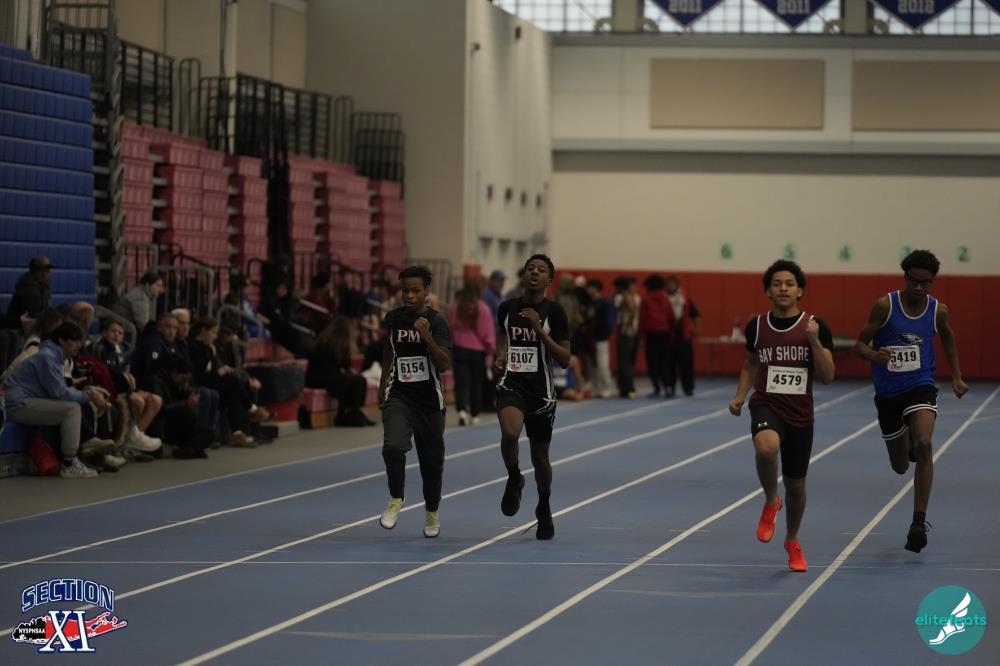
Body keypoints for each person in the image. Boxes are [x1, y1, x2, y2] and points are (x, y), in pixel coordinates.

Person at [853, 250, 967, 553]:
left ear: (933, 282)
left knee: (925, 443)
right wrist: (874, 355)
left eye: (925, 283)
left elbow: (948, 337)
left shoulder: (938, 311)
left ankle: (918, 523)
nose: (918, 287)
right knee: (901, 466)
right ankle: (909, 445)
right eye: (913, 281)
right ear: (905, 278)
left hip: (921, 385)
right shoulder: (885, 306)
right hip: (888, 394)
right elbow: (858, 346)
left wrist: (956, 376)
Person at [729, 260, 835, 572]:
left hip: (800, 413)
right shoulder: (757, 326)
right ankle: (770, 499)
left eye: (789, 283)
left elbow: (828, 376)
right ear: (768, 291)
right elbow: (750, 363)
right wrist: (740, 395)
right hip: (766, 403)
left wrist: (814, 341)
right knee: (766, 447)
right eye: (777, 284)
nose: (783, 288)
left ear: (800, 290)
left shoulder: (816, 325)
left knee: (796, 486)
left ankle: (792, 540)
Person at [494, 254, 571, 540]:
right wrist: (500, 356)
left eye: (541, 270)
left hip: (541, 393)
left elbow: (565, 359)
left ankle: (544, 503)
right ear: (524, 275)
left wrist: (540, 331)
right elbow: (503, 341)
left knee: (540, 458)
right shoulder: (506, 308)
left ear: (549, 280)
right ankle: (514, 476)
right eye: (530, 269)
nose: (534, 273)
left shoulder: (555, 312)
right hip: (512, 384)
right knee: (510, 432)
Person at [377, 266, 452, 538]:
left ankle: (432, 511)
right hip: (399, 395)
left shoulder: (437, 321)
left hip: (429, 401)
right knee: (393, 446)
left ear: (427, 290)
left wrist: (427, 336)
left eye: (415, 291)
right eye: (405, 290)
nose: (409, 296)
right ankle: (396, 497)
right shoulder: (393, 319)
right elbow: (389, 350)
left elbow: (444, 364)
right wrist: (383, 382)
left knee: (431, 463)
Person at [2, 322, 113, 478]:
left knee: (74, 406)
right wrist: (90, 396)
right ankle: (69, 464)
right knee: (71, 409)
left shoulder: (55, 357)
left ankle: (84, 452)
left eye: (80, 341)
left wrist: (88, 392)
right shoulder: (47, 357)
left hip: (24, 401)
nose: (79, 345)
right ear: (61, 340)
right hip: (16, 405)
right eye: (74, 341)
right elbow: (59, 394)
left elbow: (58, 389)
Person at [307, 316, 375, 427]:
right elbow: (328, 370)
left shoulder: (337, 344)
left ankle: (354, 412)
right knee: (355, 381)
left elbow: (345, 365)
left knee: (359, 380)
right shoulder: (327, 343)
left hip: (329, 376)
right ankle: (348, 414)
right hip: (318, 379)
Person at [448, 282, 496, 426]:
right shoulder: (483, 308)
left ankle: (462, 411)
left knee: (461, 382)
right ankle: (475, 414)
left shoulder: (456, 307)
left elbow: (450, 328)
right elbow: (487, 333)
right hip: (477, 351)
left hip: (459, 348)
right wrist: (490, 350)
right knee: (476, 383)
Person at [664, 276, 701, 397]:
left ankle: (688, 387)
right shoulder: (663, 300)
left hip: (684, 336)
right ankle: (669, 387)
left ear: (677, 285)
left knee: (686, 364)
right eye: (668, 284)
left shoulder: (685, 299)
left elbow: (696, 315)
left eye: (672, 284)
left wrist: (697, 328)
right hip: (669, 336)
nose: (670, 286)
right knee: (668, 364)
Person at [640, 274, 672, 398]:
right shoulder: (665, 298)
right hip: (664, 332)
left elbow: (643, 318)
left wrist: (641, 335)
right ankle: (667, 386)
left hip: (651, 333)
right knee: (665, 361)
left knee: (652, 362)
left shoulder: (646, 298)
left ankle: (656, 387)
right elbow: (671, 316)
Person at [613, 276, 639, 398]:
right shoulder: (630, 296)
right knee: (625, 361)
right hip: (628, 332)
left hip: (625, 333)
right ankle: (624, 388)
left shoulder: (625, 296)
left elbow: (632, 312)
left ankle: (629, 388)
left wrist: (626, 326)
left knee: (624, 362)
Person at [6, 256, 53, 320]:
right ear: (33, 272)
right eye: (40, 270)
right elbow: (33, 319)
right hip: (18, 326)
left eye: (47, 270)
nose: (44, 274)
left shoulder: (43, 286)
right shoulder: (29, 290)